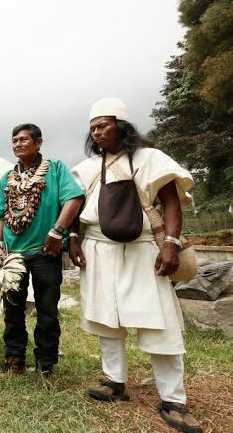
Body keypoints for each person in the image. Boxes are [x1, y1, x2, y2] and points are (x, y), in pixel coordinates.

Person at [70, 98, 202, 433]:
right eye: (93, 127)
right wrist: (73, 240)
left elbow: (172, 204)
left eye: (103, 125)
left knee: (158, 321)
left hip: (143, 249)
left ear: (122, 125)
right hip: (98, 249)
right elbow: (73, 208)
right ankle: (115, 382)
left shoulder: (151, 159)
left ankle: (173, 399)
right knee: (105, 318)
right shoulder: (86, 169)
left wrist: (170, 246)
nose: (97, 132)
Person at [0, 124, 84, 378]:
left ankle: (45, 364)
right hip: (13, 256)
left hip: (46, 251)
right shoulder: (7, 177)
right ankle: (14, 359)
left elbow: (74, 199)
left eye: (23, 140)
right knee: (12, 309)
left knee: (47, 309)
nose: (18, 144)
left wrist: (57, 232)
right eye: (14, 141)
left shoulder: (55, 169)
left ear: (38, 142)